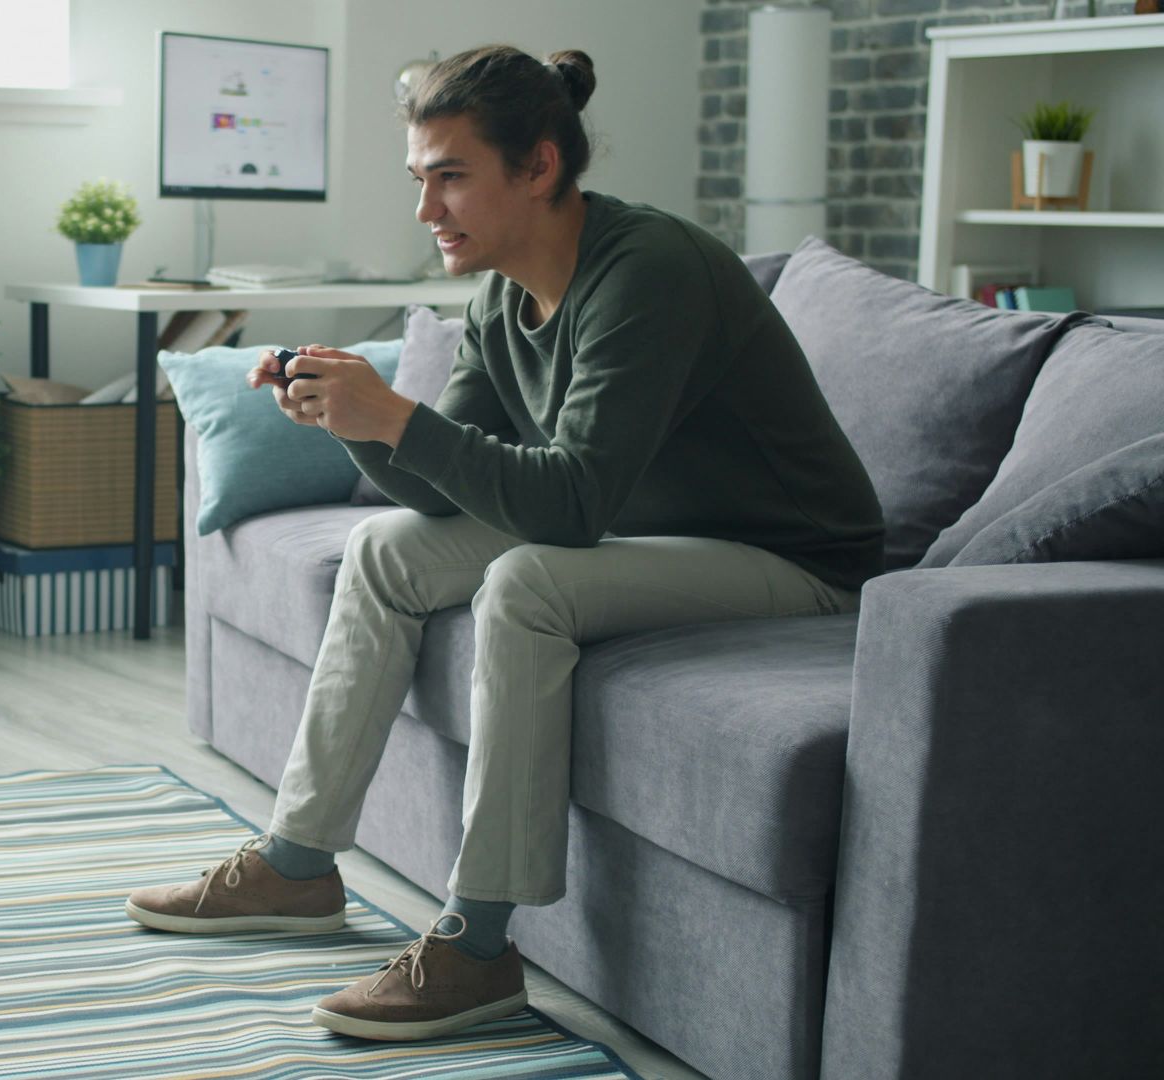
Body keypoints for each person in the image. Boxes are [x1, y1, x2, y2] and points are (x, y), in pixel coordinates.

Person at [126, 44, 883, 1042]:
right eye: (420, 178)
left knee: (528, 583)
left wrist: (397, 415)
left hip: (794, 559)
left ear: (539, 167)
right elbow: (437, 492)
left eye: (451, 177)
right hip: (651, 530)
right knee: (388, 550)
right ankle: (298, 864)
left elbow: (568, 508)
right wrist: (355, 412)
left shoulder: (648, 272)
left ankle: (475, 947)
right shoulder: (497, 296)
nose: (427, 208)